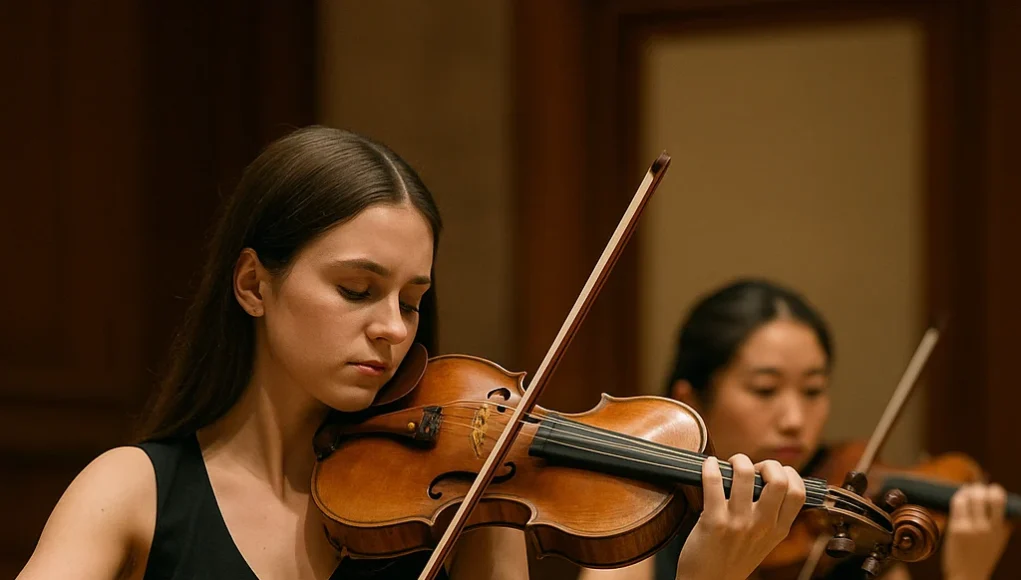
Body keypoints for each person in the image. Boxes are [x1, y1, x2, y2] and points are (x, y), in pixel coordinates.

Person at [16, 127, 810, 580]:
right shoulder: (133, 492)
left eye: (410, 299)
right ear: (254, 283)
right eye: (356, 290)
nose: (393, 328)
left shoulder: (468, 506)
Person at [579, 278, 1012, 580]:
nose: (794, 419)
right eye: (765, 390)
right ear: (690, 399)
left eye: (813, 390)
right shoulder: (635, 527)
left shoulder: (851, 536)